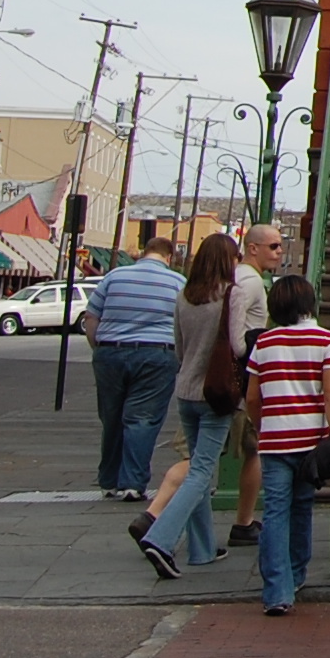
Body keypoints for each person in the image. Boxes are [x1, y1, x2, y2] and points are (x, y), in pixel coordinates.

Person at [137, 233, 246, 579]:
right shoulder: (232, 294)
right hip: (217, 394)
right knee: (201, 473)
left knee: (198, 466)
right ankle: (161, 537)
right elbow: (239, 347)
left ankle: (201, 549)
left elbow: (179, 346)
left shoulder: (185, 295)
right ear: (227, 261)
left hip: (186, 389)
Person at [244, 273, 330, 616]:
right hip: (310, 442)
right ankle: (297, 573)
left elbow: (253, 398)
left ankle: (277, 590)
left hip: (274, 439)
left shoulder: (264, 343)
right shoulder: (328, 340)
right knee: (302, 507)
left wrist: (262, 427)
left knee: (274, 511)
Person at [81, 236, 184, 500]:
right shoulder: (177, 283)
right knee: (142, 419)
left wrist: (99, 348)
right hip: (157, 354)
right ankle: (132, 483)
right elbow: (184, 324)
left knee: (112, 417)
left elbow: (92, 318)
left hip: (111, 351)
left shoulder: (114, 277)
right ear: (168, 257)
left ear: (143, 253)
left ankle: (109, 480)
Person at [225, 223, 284, 546]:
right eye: (274, 246)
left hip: (229, 377)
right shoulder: (249, 284)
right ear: (252, 248)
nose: (279, 252)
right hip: (242, 377)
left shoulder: (241, 280)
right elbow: (237, 338)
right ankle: (244, 520)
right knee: (253, 448)